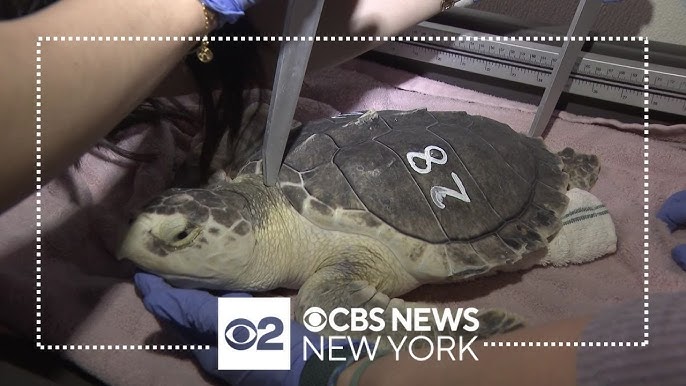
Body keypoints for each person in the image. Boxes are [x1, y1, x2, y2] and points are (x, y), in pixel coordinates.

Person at [134, 189, 686, 386]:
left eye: (180, 237)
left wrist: (340, 373)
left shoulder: (332, 267)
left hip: (480, 174)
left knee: (325, 309)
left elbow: (655, 355)